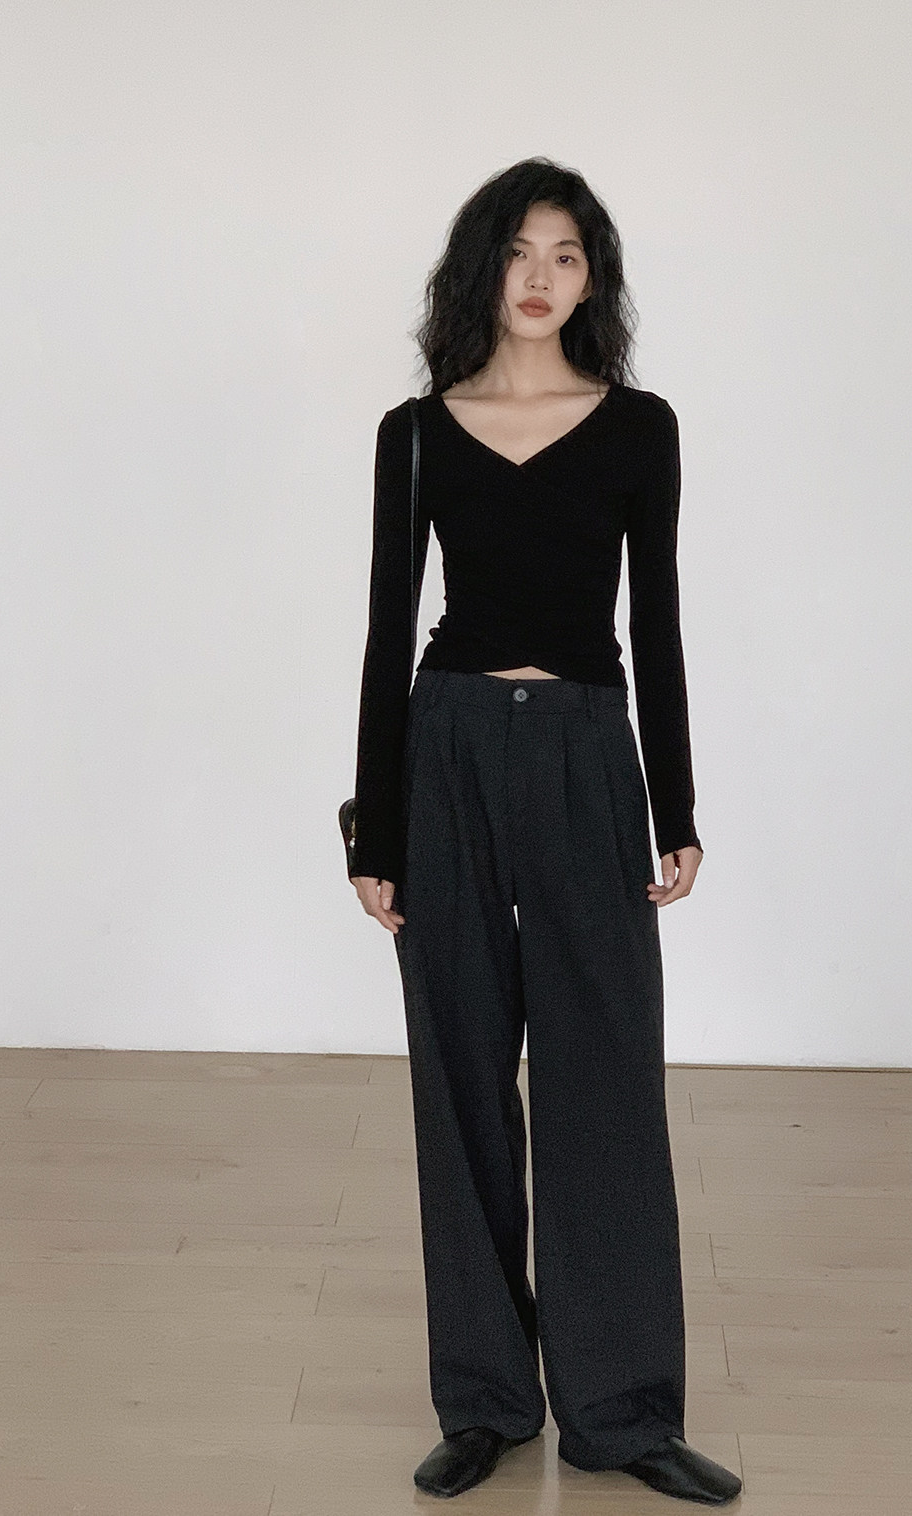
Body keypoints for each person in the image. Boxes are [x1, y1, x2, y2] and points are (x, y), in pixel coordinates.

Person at [347, 158, 740, 1506]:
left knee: (604, 1072)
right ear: (482, 267)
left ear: (592, 279)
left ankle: (622, 1412)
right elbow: (387, 630)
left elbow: (658, 622)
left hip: (584, 748)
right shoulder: (417, 433)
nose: (540, 276)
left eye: (566, 255)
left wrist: (675, 804)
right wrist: (374, 828)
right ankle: (485, 1402)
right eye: (518, 251)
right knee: (458, 1068)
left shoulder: (639, 429)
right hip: (449, 745)